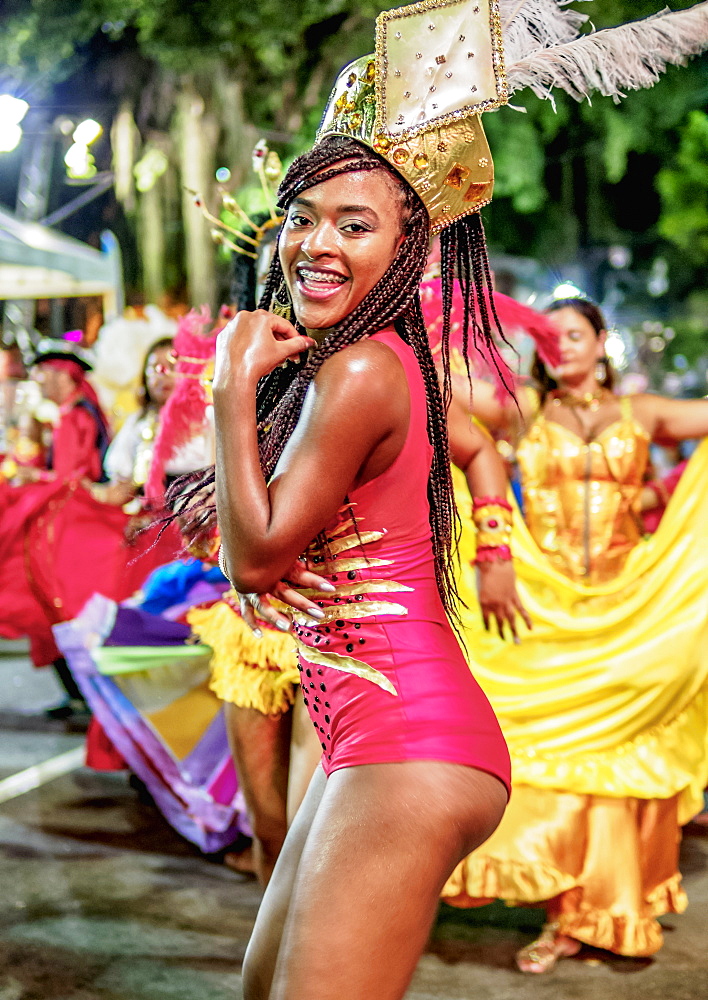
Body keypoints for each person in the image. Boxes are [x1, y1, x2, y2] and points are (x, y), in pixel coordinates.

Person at [172, 4, 520, 991]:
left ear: (410, 242)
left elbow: (258, 556)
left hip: (411, 738)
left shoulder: (366, 368)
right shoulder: (358, 364)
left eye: (353, 223)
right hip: (360, 734)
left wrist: (228, 386)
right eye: (301, 216)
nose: (314, 244)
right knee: (261, 983)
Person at [440, 296, 708, 971]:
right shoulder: (520, 406)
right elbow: (433, 384)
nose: (562, 346)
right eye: (549, 337)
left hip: (629, 600)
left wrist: (669, 494)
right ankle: (566, 907)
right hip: (548, 603)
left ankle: (609, 905)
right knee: (556, 755)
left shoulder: (641, 414)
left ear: (600, 343)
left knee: (617, 756)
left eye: (575, 334)